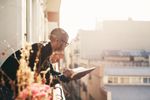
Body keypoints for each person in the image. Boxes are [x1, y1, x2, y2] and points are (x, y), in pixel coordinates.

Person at [0, 28, 70, 99]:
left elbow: (50, 71)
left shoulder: (46, 49)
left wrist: (64, 75)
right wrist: (63, 77)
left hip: (9, 85)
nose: (65, 46)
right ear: (57, 40)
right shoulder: (42, 50)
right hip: (6, 87)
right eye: (65, 43)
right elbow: (45, 78)